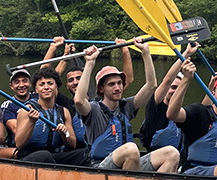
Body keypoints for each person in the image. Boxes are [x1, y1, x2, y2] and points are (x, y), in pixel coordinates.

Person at [74, 40, 179, 172]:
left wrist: (145, 52)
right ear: (101, 89)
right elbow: (78, 100)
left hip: (129, 164)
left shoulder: (126, 106)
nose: (117, 88)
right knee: (131, 149)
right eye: (111, 84)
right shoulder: (94, 109)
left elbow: (151, 85)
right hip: (100, 168)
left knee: (172, 153)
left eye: (119, 83)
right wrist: (89, 63)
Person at [13, 67, 87, 165]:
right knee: (44, 155)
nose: (46, 87)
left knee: (86, 153)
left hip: (55, 157)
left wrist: (64, 133)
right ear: (36, 89)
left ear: (56, 87)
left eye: (50, 83)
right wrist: (31, 122)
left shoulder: (64, 111)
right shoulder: (27, 110)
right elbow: (19, 144)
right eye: (42, 84)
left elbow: (72, 145)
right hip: (31, 157)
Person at [138, 43, 199, 157]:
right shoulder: (155, 107)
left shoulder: (182, 114)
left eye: (178, 88)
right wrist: (186, 54)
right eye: (173, 88)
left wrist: (211, 87)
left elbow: (204, 110)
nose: (175, 91)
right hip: (153, 161)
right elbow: (168, 79)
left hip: (176, 165)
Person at [0, 68, 34, 159]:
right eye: (17, 82)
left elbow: (50, 76)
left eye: (24, 81)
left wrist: (64, 59)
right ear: (11, 86)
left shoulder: (38, 97)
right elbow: (16, 129)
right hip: (20, 148)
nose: (21, 85)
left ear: (30, 83)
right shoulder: (7, 106)